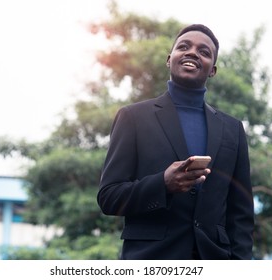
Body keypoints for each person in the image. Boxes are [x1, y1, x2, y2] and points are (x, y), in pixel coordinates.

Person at [97, 24, 254, 260]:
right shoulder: (133, 117)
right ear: (170, 60)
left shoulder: (233, 129)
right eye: (184, 46)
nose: (192, 52)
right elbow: (109, 197)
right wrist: (163, 184)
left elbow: (241, 212)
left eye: (204, 51)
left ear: (213, 70)